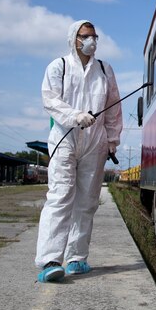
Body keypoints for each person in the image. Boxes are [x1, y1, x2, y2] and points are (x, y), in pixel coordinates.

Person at [35, 20, 122, 283]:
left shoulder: (105, 70)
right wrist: (75, 116)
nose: (91, 41)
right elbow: (50, 100)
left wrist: (112, 140)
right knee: (60, 196)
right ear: (74, 38)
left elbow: (113, 106)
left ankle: (77, 258)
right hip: (65, 138)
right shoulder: (58, 67)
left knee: (87, 201)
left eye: (94, 36)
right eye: (86, 36)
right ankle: (50, 259)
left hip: (95, 142)